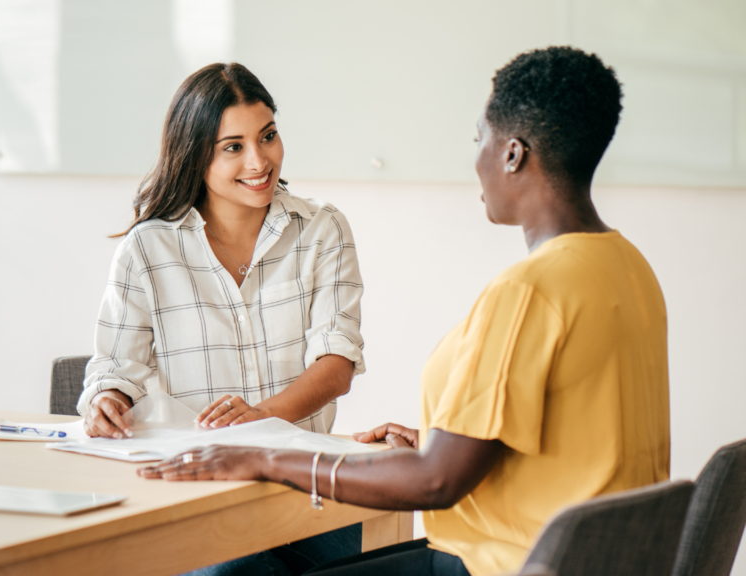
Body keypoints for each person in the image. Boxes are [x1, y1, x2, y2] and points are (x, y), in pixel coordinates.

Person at [139, 46, 670, 576]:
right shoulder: (627, 267)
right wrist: (442, 440)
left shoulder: (530, 291)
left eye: (478, 140)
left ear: (513, 154)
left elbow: (436, 484)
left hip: (505, 563)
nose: (476, 159)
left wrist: (264, 457)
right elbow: (579, 437)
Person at [76, 63, 367, 573]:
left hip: (306, 489)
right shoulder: (148, 247)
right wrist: (107, 399)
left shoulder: (322, 229)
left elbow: (336, 362)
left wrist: (263, 416)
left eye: (268, 136)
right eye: (233, 146)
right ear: (195, 155)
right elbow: (116, 366)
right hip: (199, 489)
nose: (259, 160)